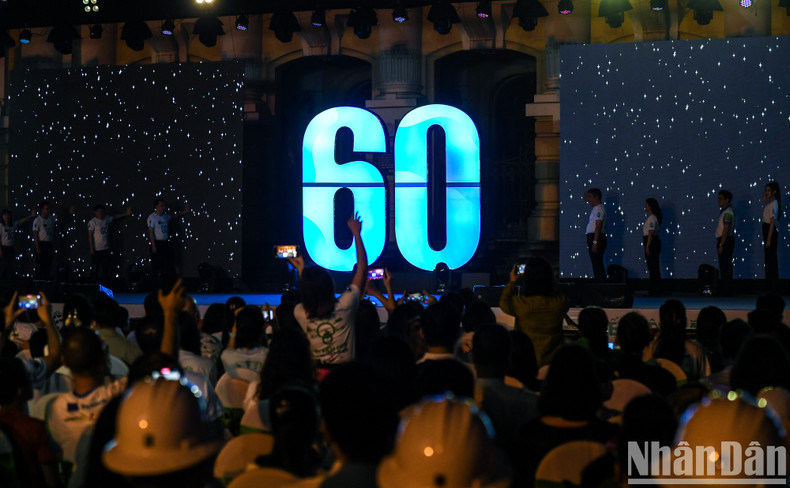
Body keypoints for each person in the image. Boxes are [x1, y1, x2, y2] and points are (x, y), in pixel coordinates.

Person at [288, 213, 367, 364]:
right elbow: (362, 270)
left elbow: (309, 291)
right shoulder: (346, 305)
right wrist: (357, 234)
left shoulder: (300, 313)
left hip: (318, 383)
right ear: (330, 286)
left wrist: (302, 270)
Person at [499, 257, 569, 367]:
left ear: (526, 279)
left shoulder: (521, 304)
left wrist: (512, 282)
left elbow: (503, 303)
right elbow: (561, 295)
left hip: (525, 361)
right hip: (553, 363)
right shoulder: (559, 303)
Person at [147, 197, 190, 278]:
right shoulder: (152, 217)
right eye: (161, 205)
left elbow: (173, 216)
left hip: (165, 243)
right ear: (156, 206)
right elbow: (150, 232)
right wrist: (153, 245)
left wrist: (184, 212)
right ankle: (155, 285)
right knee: (156, 265)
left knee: (167, 264)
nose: (163, 207)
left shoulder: (165, 216)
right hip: (157, 243)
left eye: (164, 205)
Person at [87, 204, 132, 281]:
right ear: (95, 212)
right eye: (98, 211)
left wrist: (126, 214)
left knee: (106, 270)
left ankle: (105, 287)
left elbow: (115, 217)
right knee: (95, 269)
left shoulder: (106, 219)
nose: (100, 212)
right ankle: (93, 286)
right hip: (96, 250)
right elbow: (90, 236)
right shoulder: (92, 222)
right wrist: (92, 249)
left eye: (101, 211)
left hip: (106, 249)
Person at [0, 208, 35, 279]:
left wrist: (31, 216)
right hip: (4, 247)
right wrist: (0, 250)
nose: (6, 217)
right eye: (5, 215)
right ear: (2, 216)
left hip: (11, 247)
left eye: (7, 215)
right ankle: (3, 281)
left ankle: (9, 280)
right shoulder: (1, 226)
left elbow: (21, 221)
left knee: (11, 265)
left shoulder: (12, 224)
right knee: (4, 265)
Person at [584, 188, 607, 281]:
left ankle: (601, 285)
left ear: (596, 197)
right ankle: (599, 283)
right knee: (596, 263)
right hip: (594, 237)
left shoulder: (599, 209)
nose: (588, 200)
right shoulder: (596, 208)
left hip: (596, 237)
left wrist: (595, 241)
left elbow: (598, 226)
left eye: (590, 197)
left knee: (597, 263)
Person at [715, 190, 735, 296]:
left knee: (725, 265)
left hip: (725, 240)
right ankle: (726, 289)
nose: (719, 200)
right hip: (725, 240)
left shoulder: (728, 212)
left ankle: (727, 290)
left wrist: (722, 244)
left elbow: (726, 229)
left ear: (727, 200)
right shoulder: (724, 211)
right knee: (724, 265)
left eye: (721, 198)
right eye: (718, 198)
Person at [762, 181, 781, 289]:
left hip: (770, 231)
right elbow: (765, 200)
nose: (766, 192)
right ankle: (770, 285)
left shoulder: (774, 203)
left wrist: (769, 239)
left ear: (774, 191)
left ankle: (773, 286)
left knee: (771, 260)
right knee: (769, 260)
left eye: (769, 190)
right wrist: (765, 197)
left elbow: (772, 222)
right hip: (767, 230)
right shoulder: (771, 203)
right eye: (766, 190)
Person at [643, 198, 663, 295]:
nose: (645, 207)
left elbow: (650, 233)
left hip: (651, 242)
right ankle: (656, 288)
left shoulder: (652, 218)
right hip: (653, 242)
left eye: (646, 205)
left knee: (653, 266)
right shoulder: (653, 217)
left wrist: (647, 246)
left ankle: (655, 289)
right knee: (653, 266)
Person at [31, 201, 56, 280]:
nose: (48, 210)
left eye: (49, 209)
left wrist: (69, 213)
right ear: (42, 209)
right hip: (41, 244)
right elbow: (35, 235)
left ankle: (46, 281)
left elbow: (60, 217)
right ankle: (38, 282)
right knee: (40, 264)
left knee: (48, 264)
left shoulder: (51, 218)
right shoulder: (37, 220)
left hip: (49, 244)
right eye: (47, 209)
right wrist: (37, 247)